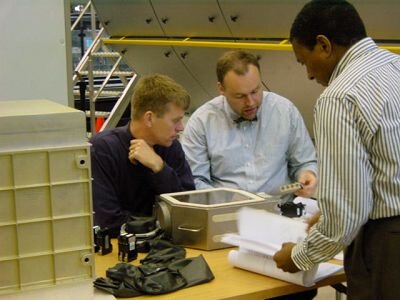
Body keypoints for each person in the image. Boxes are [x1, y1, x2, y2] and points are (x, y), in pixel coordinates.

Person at [273, 1, 400, 299]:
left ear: (323, 45)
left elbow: (347, 214)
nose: (308, 75)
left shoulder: (339, 97)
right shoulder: (395, 66)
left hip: (388, 249)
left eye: (303, 61)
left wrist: (299, 255)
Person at [181, 50, 318, 200]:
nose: (251, 102)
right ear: (221, 89)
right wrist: (228, 200)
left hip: (281, 212)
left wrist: (308, 174)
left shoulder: (284, 111)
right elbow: (195, 181)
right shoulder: (201, 122)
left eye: (255, 91)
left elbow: (305, 162)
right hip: (226, 215)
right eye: (240, 96)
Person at [90, 74, 195, 236]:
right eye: (175, 121)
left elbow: (187, 209)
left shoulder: (171, 146)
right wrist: (159, 224)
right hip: (119, 248)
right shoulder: (102, 150)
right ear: (149, 118)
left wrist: (160, 168)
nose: (180, 127)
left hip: (165, 247)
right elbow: (107, 221)